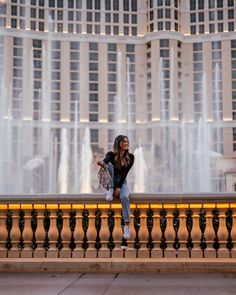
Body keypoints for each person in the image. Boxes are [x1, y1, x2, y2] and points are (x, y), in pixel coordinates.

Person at [97, 135, 134, 240]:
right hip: (110, 180)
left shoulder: (130, 157)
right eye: (124, 142)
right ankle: (111, 189)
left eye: (127, 141)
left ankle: (126, 225)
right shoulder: (111, 154)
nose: (126, 143)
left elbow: (124, 174)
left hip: (122, 182)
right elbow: (107, 159)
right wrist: (102, 163)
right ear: (119, 144)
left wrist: (119, 187)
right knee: (109, 165)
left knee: (125, 197)